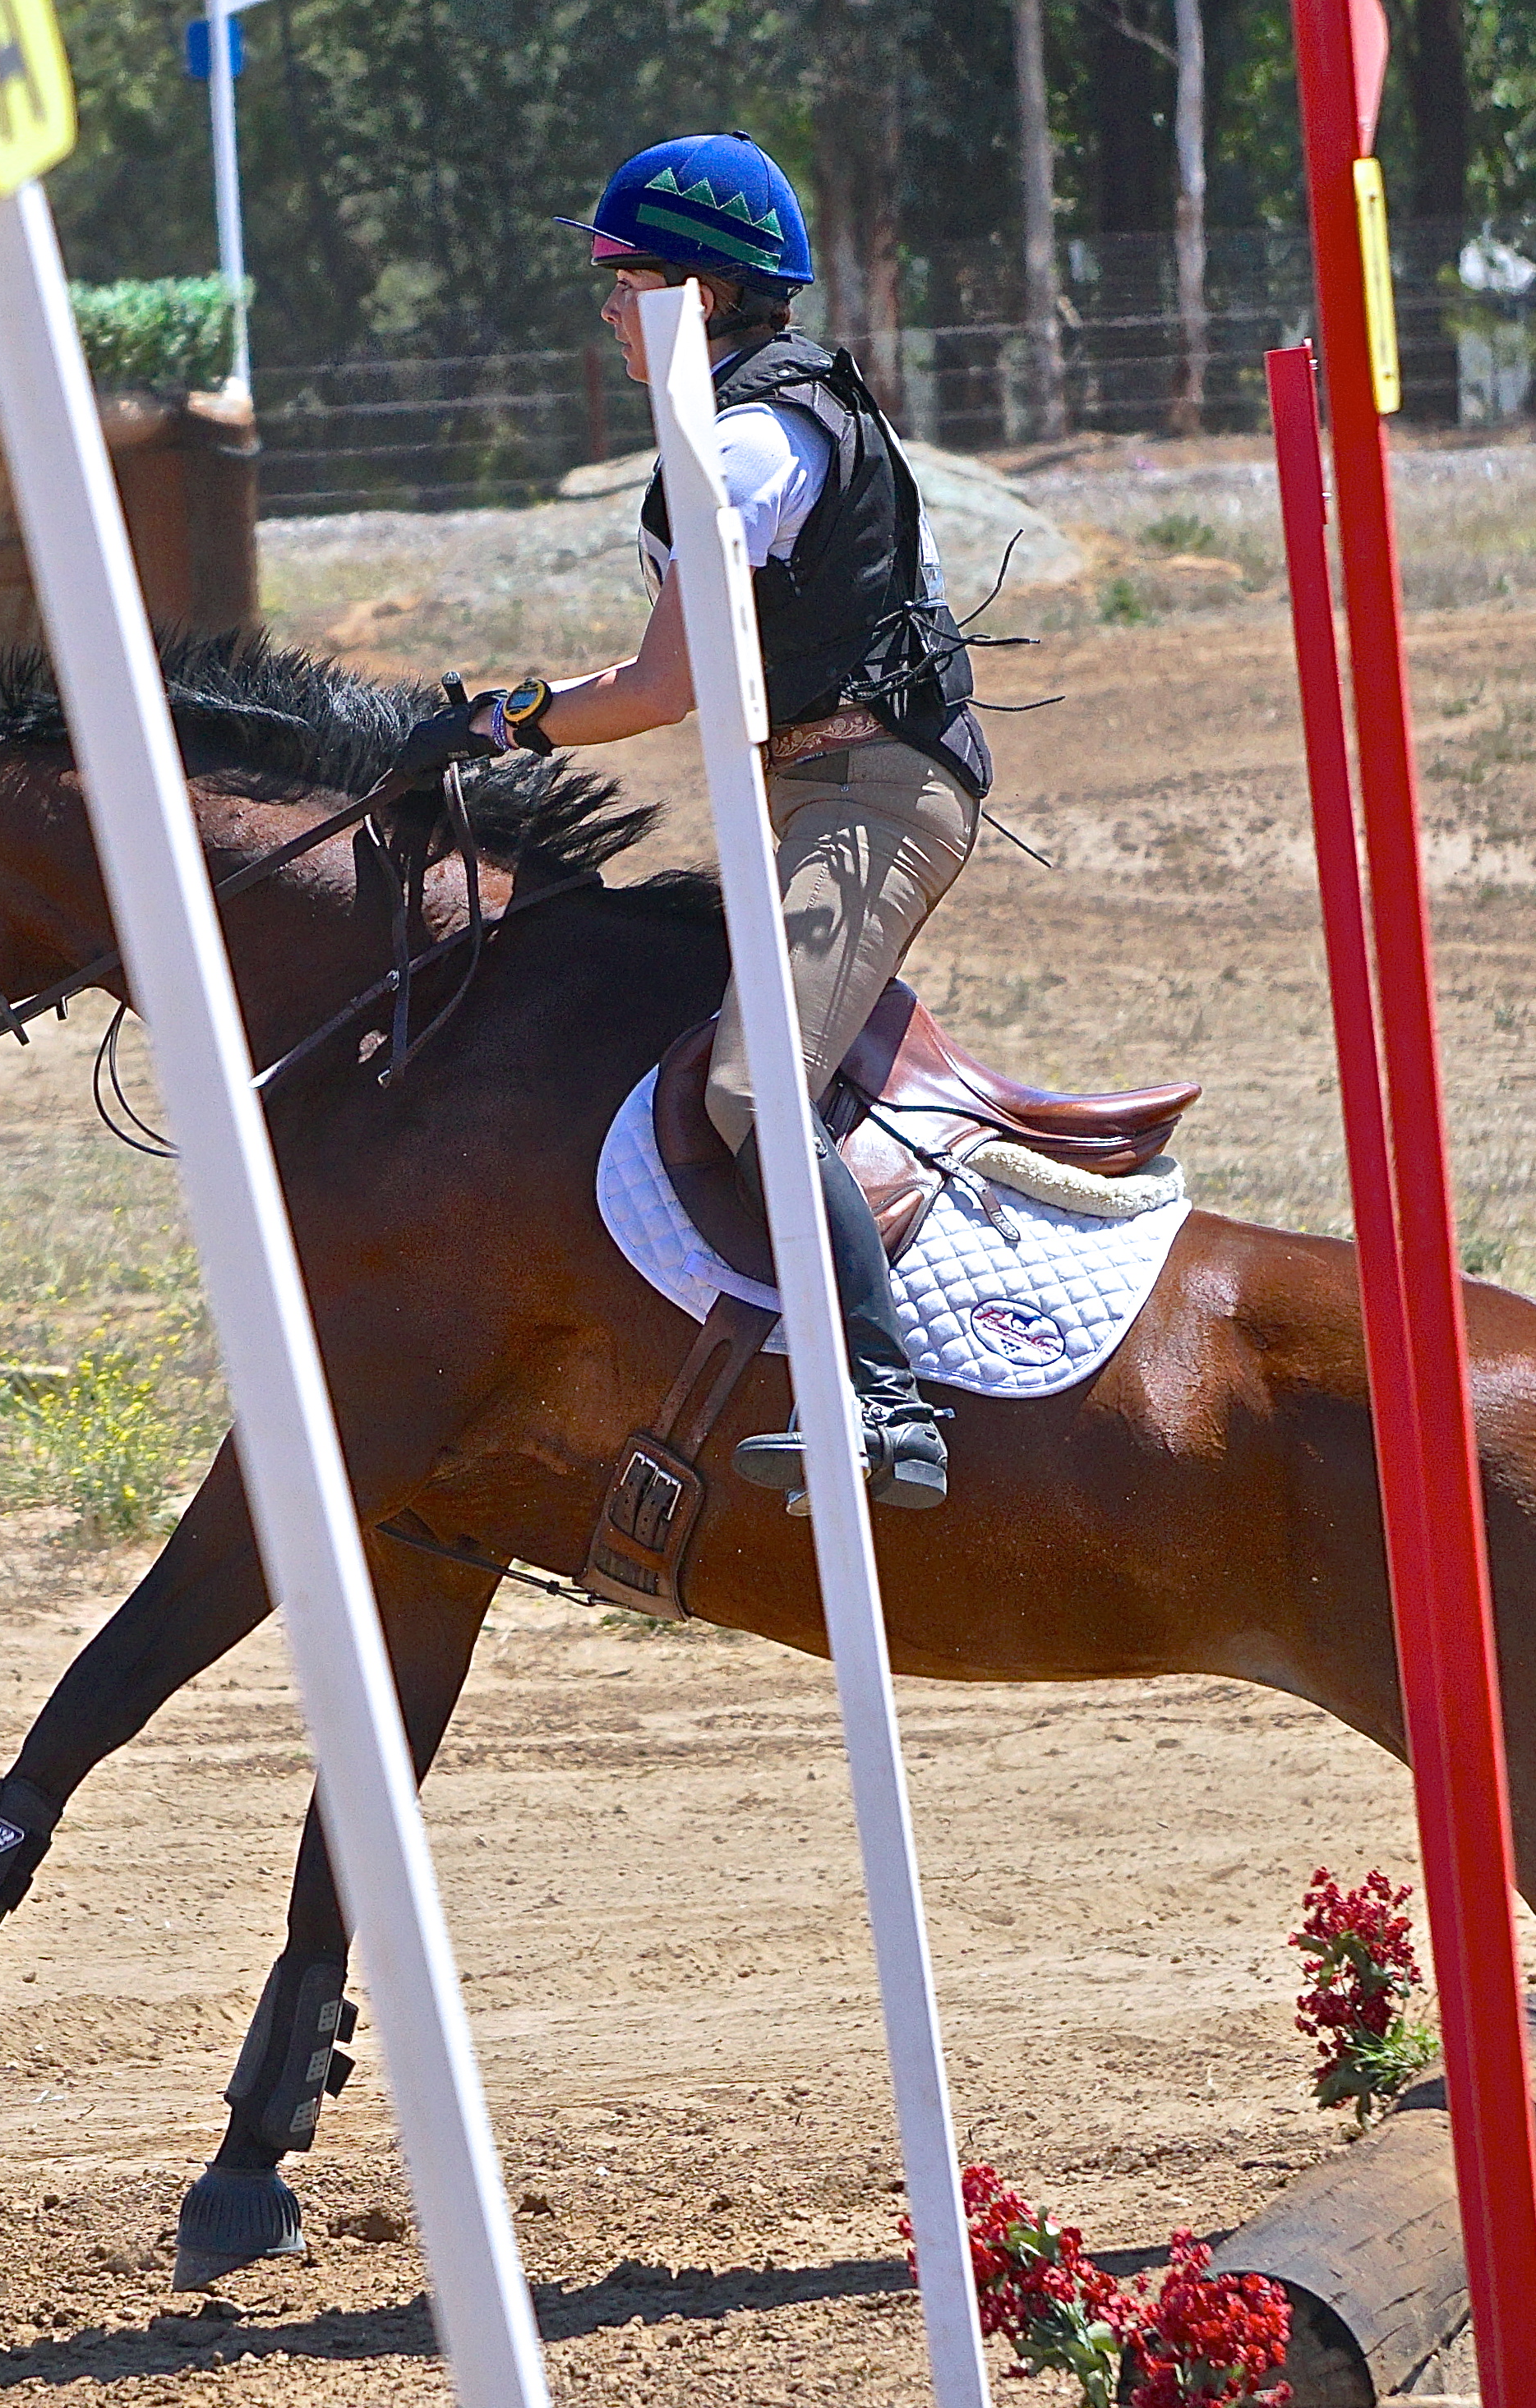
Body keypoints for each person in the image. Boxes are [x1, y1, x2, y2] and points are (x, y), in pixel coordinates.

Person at [454, 133, 994, 1512]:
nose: (601, 307)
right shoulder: (740, 421)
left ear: (695, 297)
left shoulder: (751, 443)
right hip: (815, 791)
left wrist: (504, 723)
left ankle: (884, 1404)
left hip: (872, 795)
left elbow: (652, 691)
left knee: (754, 1086)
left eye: (617, 277)